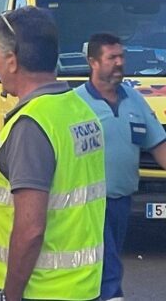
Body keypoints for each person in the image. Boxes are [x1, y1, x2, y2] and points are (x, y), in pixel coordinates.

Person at [0, 7, 106, 301]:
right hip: (80, 287)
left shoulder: (32, 126)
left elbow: (31, 228)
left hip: (39, 291)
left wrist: (11, 294)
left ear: (11, 61)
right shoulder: (79, 111)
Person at [75, 33, 166, 301]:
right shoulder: (76, 102)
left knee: (108, 258)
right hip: (86, 202)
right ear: (93, 62)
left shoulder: (134, 100)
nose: (119, 63)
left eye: (121, 57)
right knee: (107, 263)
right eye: (111, 57)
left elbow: (158, 144)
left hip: (121, 201)